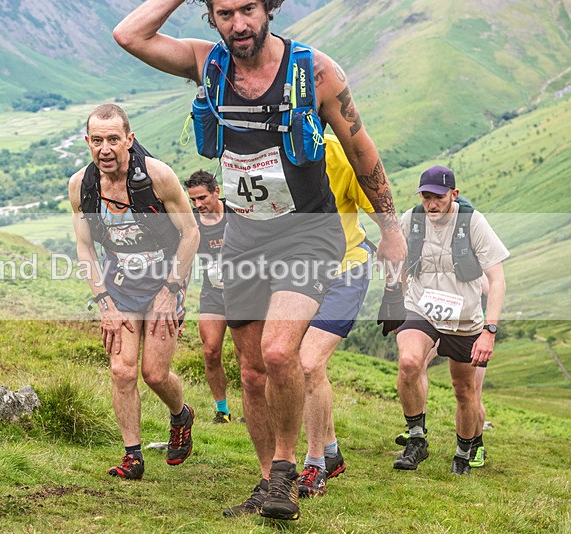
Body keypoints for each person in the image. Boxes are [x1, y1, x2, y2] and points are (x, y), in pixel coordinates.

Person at [115, 0, 406, 520]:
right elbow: (129, 35)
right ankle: (266, 482)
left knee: (277, 354)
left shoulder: (313, 71)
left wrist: (391, 231)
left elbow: (363, 153)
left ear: (269, 7)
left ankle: (287, 472)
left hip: (306, 235)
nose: (239, 25)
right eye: (224, 13)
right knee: (250, 373)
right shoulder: (209, 64)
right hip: (245, 235)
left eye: (248, 8)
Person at [69, 104, 200, 480]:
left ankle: (181, 414)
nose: (105, 149)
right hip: (120, 284)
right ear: (87, 142)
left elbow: (191, 233)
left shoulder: (158, 176)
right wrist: (102, 300)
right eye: (97, 141)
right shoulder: (81, 185)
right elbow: (84, 247)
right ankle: (133, 456)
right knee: (121, 370)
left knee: (155, 375)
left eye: (113, 140)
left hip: (165, 278)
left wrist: (171, 290)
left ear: (129, 139)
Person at [392, 165, 508, 475]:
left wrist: (489, 330)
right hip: (421, 308)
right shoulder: (411, 221)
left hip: (465, 319)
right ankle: (416, 439)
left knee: (464, 390)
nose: (431, 204)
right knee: (409, 363)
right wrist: (394, 302)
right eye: (426, 197)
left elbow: (497, 280)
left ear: (453, 195)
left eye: (438, 198)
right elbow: (398, 262)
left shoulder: (473, 223)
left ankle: (463, 452)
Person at [296, 135, 377, 498]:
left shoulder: (337, 153)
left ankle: (315, 466)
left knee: (309, 363)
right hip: (297, 273)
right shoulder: (270, 149)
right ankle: (331, 452)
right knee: (304, 367)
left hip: (347, 267)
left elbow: (380, 206)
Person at [394, 274, 491, 468]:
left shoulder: (474, 253)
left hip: (469, 325)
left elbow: (490, 288)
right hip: (435, 320)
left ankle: (476, 443)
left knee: (469, 390)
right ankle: (417, 428)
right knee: (416, 364)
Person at [184, 170, 234, 424]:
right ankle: (222, 411)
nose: (198, 205)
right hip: (213, 292)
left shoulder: (236, 213)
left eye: (202, 198)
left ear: (216, 191)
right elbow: (182, 262)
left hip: (245, 293)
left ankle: (257, 408)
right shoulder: (192, 222)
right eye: (193, 200)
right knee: (211, 351)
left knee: (250, 356)